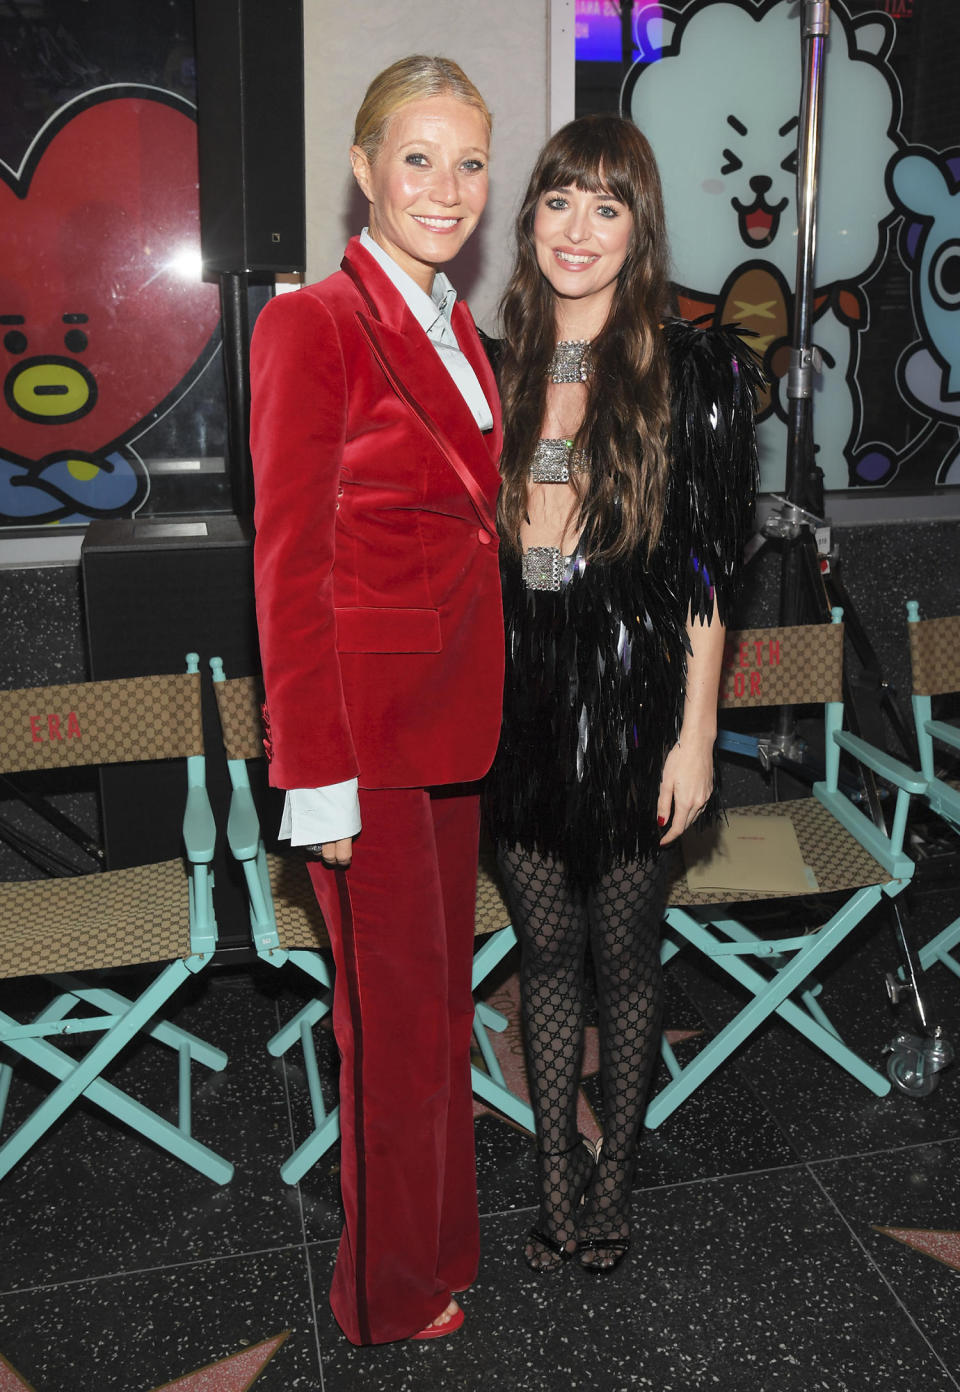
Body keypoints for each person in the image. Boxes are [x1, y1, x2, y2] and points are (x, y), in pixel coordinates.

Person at [249, 56, 503, 1344]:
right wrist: (314, 773)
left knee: (439, 1009)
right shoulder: (313, 325)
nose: (447, 188)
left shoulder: (456, 324)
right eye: (419, 158)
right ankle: (385, 1295)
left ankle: (442, 1246)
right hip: (364, 741)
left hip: (452, 723)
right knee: (392, 1030)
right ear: (363, 168)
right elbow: (288, 564)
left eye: (469, 162)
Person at [483, 115, 761, 1275]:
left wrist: (696, 737)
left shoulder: (693, 368)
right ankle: (554, 1176)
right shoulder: (491, 357)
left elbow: (704, 574)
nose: (578, 229)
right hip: (519, 697)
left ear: (638, 228)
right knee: (545, 954)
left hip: (637, 695)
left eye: (607, 206)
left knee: (625, 954)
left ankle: (618, 1175)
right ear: (531, 216)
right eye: (559, 201)